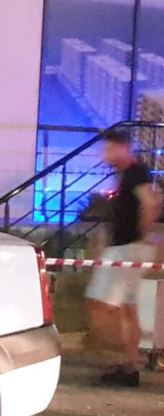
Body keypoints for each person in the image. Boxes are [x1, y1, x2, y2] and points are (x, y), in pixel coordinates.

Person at [86, 128, 162, 387]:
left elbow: (149, 202)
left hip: (128, 248)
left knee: (100, 303)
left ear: (122, 147)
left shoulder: (134, 173)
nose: (105, 155)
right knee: (128, 309)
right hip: (128, 247)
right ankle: (129, 365)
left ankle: (122, 360)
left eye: (109, 149)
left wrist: (142, 235)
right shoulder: (131, 174)